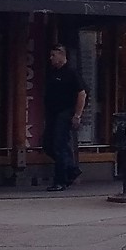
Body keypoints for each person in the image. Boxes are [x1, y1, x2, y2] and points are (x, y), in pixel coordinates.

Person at [44, 43, 87, 191]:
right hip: (53, 113)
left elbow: (82, 94)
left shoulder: (71, 72)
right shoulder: (53, 72)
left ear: (62, 55)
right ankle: (71, 169)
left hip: (65, 112)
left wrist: (77, 115)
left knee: (59, 146)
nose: (51, 58)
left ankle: (60, 181)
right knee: (47, 144)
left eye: (53, 55)